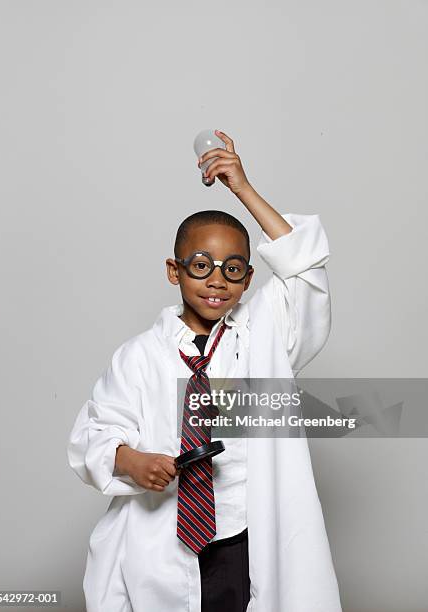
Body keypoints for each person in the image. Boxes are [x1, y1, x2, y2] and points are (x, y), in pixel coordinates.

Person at [67, 130, 343, 612]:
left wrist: (243, 188)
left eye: (233, 268)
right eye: (200, 265)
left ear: (248, 278)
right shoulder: (137, 356)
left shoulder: (262, 338)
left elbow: (304, 269)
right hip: (159, 539)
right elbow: (96, 433)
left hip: (240, 537)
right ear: (174, 271)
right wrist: (133, 461)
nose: (217, 279)